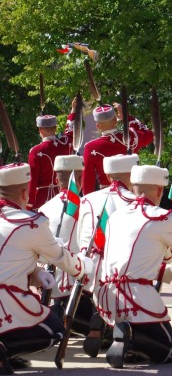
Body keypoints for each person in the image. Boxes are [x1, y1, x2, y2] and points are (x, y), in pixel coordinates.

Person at [97, 165, 172, 368]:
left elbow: (133, 263)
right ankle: (130, 339)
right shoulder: (162, 217)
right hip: (136, 297)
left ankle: (118, 332)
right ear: (159, 190)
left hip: (107, 296)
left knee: (156, 338)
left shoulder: (115, 217)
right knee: (169, 351)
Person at [0, 163, 92, 375]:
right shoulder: (31, 223)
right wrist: (82, 268)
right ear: (24, 192)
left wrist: (35, 274)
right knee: (54, 330)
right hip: (7, 304)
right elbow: (61, 258)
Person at [76, 154, 140, 357]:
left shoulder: (87, 199)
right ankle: (119, 327)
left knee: (100, 286)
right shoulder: (135, 202)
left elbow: (81, 240)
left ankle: (99, 321)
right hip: (121, 268)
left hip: (91, 268)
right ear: (131, 174)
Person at [38, 155, 84, 310]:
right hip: (83, 284)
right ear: (80, 180)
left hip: (52, 285)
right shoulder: (90, 206)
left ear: (56, 180)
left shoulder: (44, 209)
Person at [81, 103, 153, 195]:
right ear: (116, 120)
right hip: (131, 195)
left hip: (106, 198)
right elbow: (149, 134)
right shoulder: (131, 137)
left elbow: (88, 181)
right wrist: (127, 118)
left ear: (97, 126)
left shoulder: (91, 147)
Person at [27, 100, 77, 210]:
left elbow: (32, 180)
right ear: (55, 128)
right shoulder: (66, 143)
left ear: (40, 130)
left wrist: (29, 204)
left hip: (43, 200)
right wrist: (73, 110)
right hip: (66, 197)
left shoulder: (35, 151)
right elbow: (70, 130)